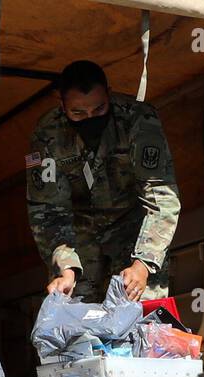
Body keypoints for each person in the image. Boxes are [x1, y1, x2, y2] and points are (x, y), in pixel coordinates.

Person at [27, 60, 180, 303]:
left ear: (109, 95)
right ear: (61, 104)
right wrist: (66, 268)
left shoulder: (138, 120)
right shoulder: (47, 134)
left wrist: (143, 263)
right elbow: (47, 210)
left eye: (98, 110)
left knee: (140, 320)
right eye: (77, 112)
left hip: (133, 232)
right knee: (77, 322)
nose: (89, 118)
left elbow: (161, 197)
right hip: (78, 238)